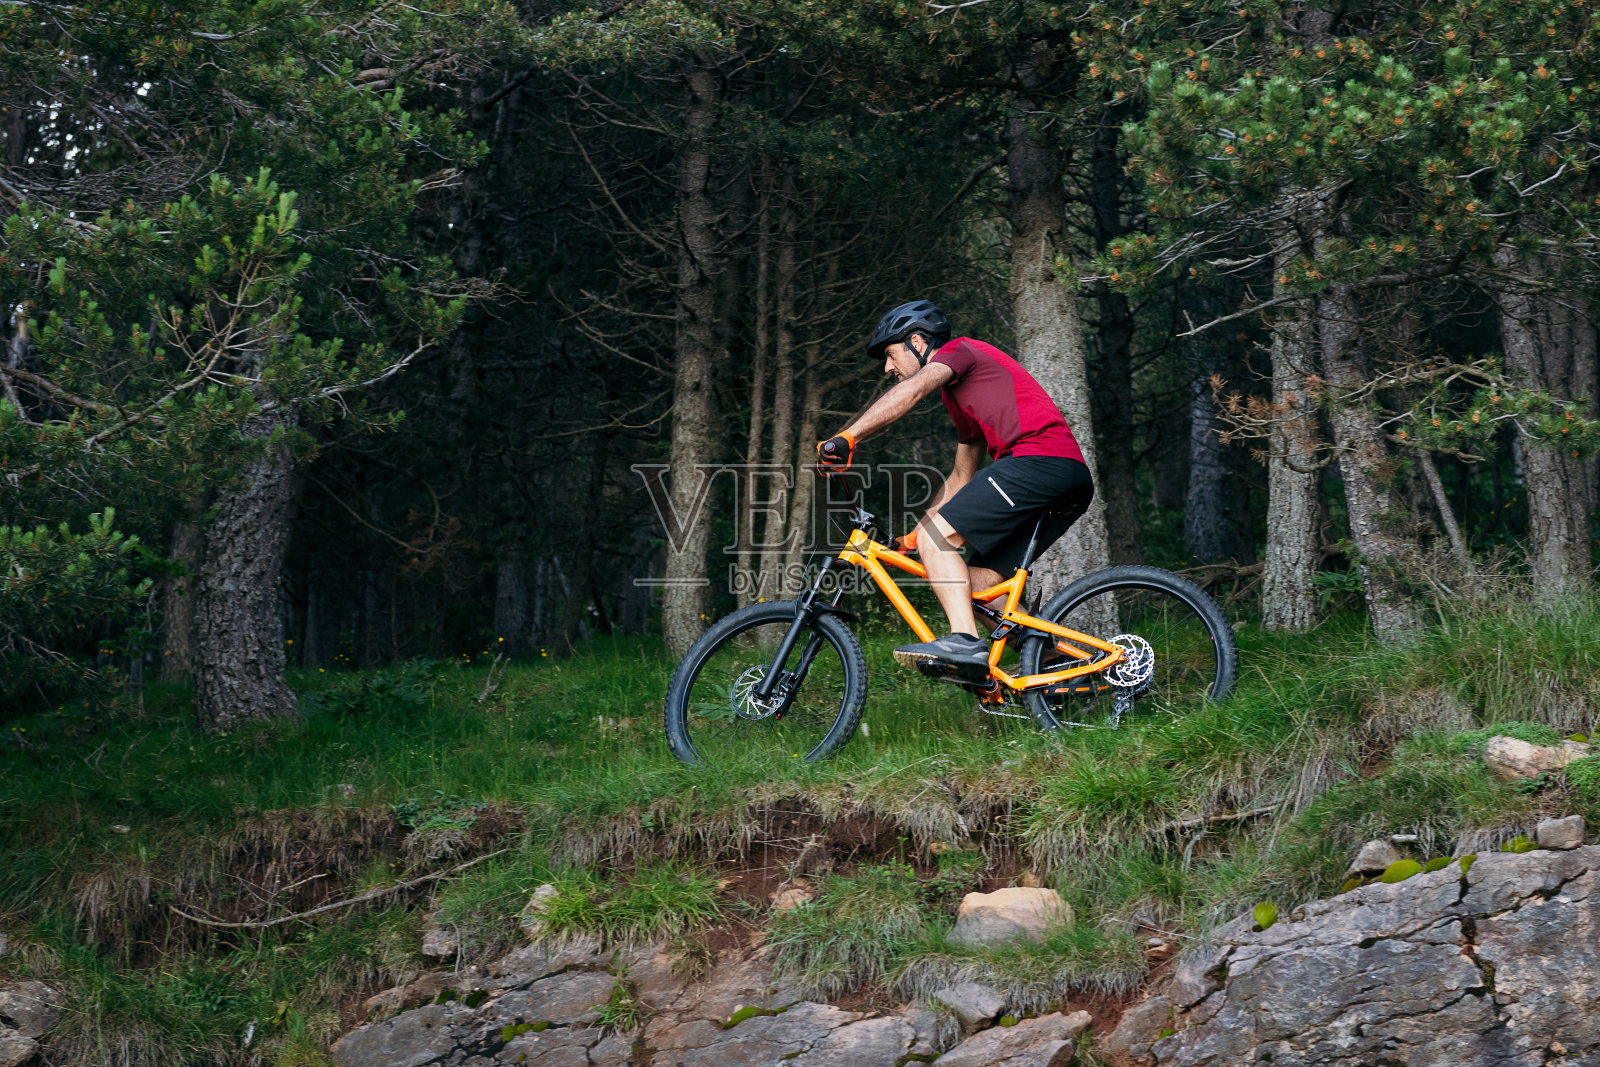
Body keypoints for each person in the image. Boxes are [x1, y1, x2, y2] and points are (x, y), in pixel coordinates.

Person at [815, 300, 1094, 675]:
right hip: (1064, 477)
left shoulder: (958, 352)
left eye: (890, 354)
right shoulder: (960, 396)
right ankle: (1053, 663)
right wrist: (914, 538)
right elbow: (961, 476)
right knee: (978, 589)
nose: (887, 367)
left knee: (940, 540)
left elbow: (913, 391)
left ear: (917, 341)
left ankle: (964, 641)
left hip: (1039, 460)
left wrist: (849, 436)